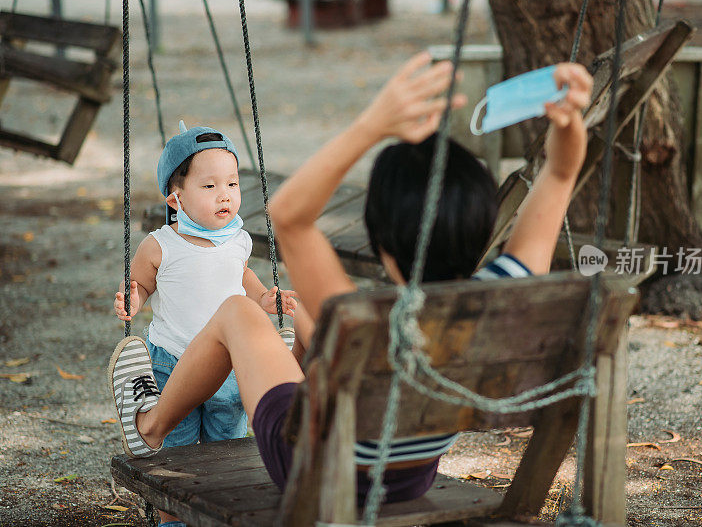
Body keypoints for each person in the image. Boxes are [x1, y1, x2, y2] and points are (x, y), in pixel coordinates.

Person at [108, 52, 593, 512]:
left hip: (312, 467)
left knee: (238, 312)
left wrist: (373, 125)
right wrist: (570, 125)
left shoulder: (362, 318)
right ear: (486, 223)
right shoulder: (499, 297)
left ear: (381, 242)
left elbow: (290, 216)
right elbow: (561, 173)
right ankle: (273, 364)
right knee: (305, 328)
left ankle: (151, 423)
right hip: (409, 474)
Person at [111, 123, 300, 527]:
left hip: (227, 371)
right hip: (171, 366)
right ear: (175, 199)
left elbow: (241, 277)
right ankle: (172, 519)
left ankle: (222, 511)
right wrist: (132, 298)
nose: (226, 194)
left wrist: (263, 298)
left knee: (226, 448)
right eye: (210, 186)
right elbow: (142, 283)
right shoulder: (161, 244)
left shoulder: (238, 239)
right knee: (174, 457)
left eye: (232, 183)